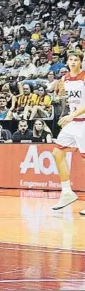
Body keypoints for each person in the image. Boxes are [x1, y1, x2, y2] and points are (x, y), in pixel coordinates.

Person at [52, 50, 85, 215]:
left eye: (76, 59)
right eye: (70, 59)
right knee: (57, 153)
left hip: (84, 123)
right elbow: (68, 100)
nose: (73, 62)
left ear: (81, 62)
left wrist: (71, 115)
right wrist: (66, 114)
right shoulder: (64, 79)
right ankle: (66, 192)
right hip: (73, 122)